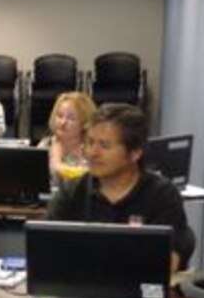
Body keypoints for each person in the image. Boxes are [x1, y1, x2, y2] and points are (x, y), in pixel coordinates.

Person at [48, 103, 190, 272]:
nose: (92, 153)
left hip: (136, 292)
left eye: (105, 146)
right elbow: (47, 249)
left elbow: (166, 264)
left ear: (134, 153)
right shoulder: (72, 191)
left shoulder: (162, 195)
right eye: (90, 142)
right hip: (80, 288)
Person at [38, 91, 97, 184]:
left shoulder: (92, 149)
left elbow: (82, 181)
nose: (63, 123)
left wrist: (56, 162)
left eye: (71, 118)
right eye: (60, 116)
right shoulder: (46, 144)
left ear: (84, 123)